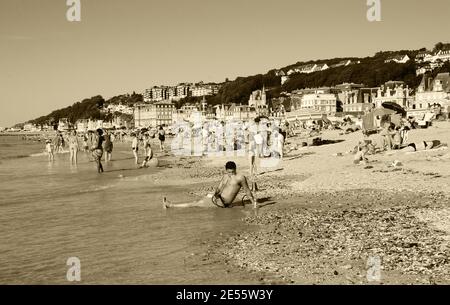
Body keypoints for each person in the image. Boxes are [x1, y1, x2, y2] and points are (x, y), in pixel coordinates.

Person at [163, 161, 257, 209]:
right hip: (217, 198)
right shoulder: (225, 176)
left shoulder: (240, 178)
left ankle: (171, 205)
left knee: (195, 203)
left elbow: (247, 191)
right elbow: (219, 188)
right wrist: (215, 193)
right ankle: (171, 205)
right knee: (198, 200)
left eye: (232, 172)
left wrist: (254, 203)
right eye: (228, 172)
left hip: (222, 203)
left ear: (235, 169)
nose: (230, 174)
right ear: (226, 170)